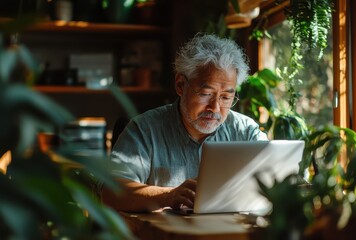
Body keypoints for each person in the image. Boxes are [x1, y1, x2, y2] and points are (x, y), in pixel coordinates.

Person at [101, 33, 268, 213]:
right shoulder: (144, 130)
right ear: (181, 85)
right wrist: (168, 196)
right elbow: (110, 193)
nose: (215, 108)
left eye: (226, 97)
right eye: (206, 94)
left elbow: (274, 180)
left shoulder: (245, 131)